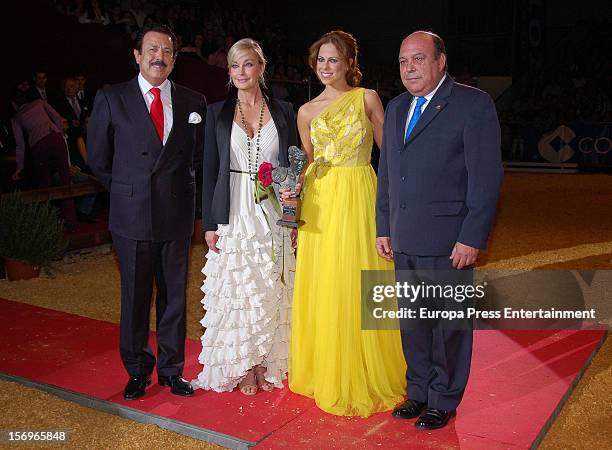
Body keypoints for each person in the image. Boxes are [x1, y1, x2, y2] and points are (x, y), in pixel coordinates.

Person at [376, 31, 503, 430]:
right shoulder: (395, 108)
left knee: (448, 324)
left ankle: (443, 398)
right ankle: (418, 392)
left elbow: (486, 178)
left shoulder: (473, 105)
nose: (409, 68)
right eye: (402, 61)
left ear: (440, 61)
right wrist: (384, 225)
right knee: (413, 321)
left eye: (418, 59)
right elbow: (388, 175)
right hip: (404, 235)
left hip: (450, 241)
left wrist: (472, 235)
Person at [288, 30, 406, 417]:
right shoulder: (305, 111)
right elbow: (305, 164)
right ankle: (327, 368)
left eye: (333, 60)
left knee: (359, 278)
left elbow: (391, 157)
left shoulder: (367, 98)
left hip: (359, 195)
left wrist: (397, 206)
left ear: (349, 64)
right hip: (321, 203)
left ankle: (367, 368)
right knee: (326, 283)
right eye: (320, 60)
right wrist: (291, 201)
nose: (325, 67)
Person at [88, 24, 207, 400]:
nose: (159, 56)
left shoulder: (193, 102)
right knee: (136, 296)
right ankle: (137, 370)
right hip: (131, 213)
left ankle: (172, 371)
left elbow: (199, 158)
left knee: (174, 296)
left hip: (175, 213)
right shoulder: (112, 98)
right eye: (152, 49)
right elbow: (98, 158)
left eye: (167, 51)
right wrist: (128, 190)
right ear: (137, 55)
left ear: (174, 58)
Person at [193, 38, 298, 395]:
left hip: (271, 210)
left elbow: (293, 169)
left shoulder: (284, 111)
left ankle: (266, 362)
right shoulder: (216, 114)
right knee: (239, 288)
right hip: (233, 211)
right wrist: (209, 222)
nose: (241, 72)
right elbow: (208, 170)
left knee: (270, 287)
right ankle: (243, 368)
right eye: (234, 66)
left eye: (248, 64)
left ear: (261, 68)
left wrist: (292, 214)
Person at [10, 92, 79, 232]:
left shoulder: (16, 117)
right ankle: (72, 224)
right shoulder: (39, 102)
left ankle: (44, 223)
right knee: (66, 182)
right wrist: (59, 133)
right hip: (55, 137)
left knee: (44, 184)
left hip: (38, 146)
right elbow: (56, 117)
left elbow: (20, 145)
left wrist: (19, 167)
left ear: (14, 105)